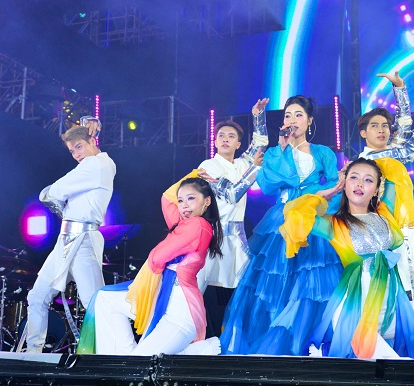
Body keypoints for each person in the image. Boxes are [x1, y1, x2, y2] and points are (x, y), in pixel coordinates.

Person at [280, 158, 414, 359]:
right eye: (354, 178)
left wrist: (367, 164)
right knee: (391, 366)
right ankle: (408, 369)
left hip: (391, 311)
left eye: (368, 180)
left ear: (377, 189)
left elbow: (396, 169)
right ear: (345, 184)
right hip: (354, 314)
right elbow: (295, 214)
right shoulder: (334, 224)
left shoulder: (385, 213)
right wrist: (328, 191)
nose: (360, 184)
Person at [220, 95, 344, 355]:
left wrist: (315, 200)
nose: (292, 120)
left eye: (298, 115)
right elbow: (269, 184)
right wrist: (283, 149)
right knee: (276, 281)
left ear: (309, 121)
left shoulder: (323, 152)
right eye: (288, 115)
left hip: (312, 219)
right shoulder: (275, 153)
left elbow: (335, 186)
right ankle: (274, 344)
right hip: (282, 218)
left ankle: (308, 343)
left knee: (310, 281)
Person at [77, 175, 223, 355]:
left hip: (179, 315)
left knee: (140, 363)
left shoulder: (197, 225)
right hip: (163, 300)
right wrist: (194, 175)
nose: (184, 205)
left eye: (191, 198)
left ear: (207, 201)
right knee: (105, 299)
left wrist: (147, 280)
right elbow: (167, 199)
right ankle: (121, 361)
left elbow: (157, 257)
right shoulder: (184, 225)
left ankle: (192, 352)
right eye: (180, 200)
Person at [25, 125, 116, 352]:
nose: (76, 154)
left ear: (92, 141)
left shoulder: (97, 164)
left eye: (79, 147)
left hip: (83, 240)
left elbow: (54, 191)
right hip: (65, 241)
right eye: (72, 151)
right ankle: (33, 352)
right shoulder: (92, 166)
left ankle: (109, 353)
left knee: (94, 303)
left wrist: (50, 196)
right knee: (37, 297)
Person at [359, 71, 414, 301]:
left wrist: (399, 89)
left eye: (386, 126)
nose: (382, 130)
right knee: (404, 294)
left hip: (411, 229)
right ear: (363, 132)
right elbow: (410, 148)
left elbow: (404, 129)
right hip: (389, 233)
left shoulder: (390, 154)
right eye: (375, 126)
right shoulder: (366, 162)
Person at [196, 98, 269, 293]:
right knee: (203, 290)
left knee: (241, 292)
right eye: (221, 135)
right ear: (215, 141)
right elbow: (231, 194)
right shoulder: (207, 166)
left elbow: (260, 145)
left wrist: (258, 116)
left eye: (231, 136)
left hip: (237, 239)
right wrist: (255, 169)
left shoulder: (241, 164)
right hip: (213, 237)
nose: (225, 139)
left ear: (238, 144)